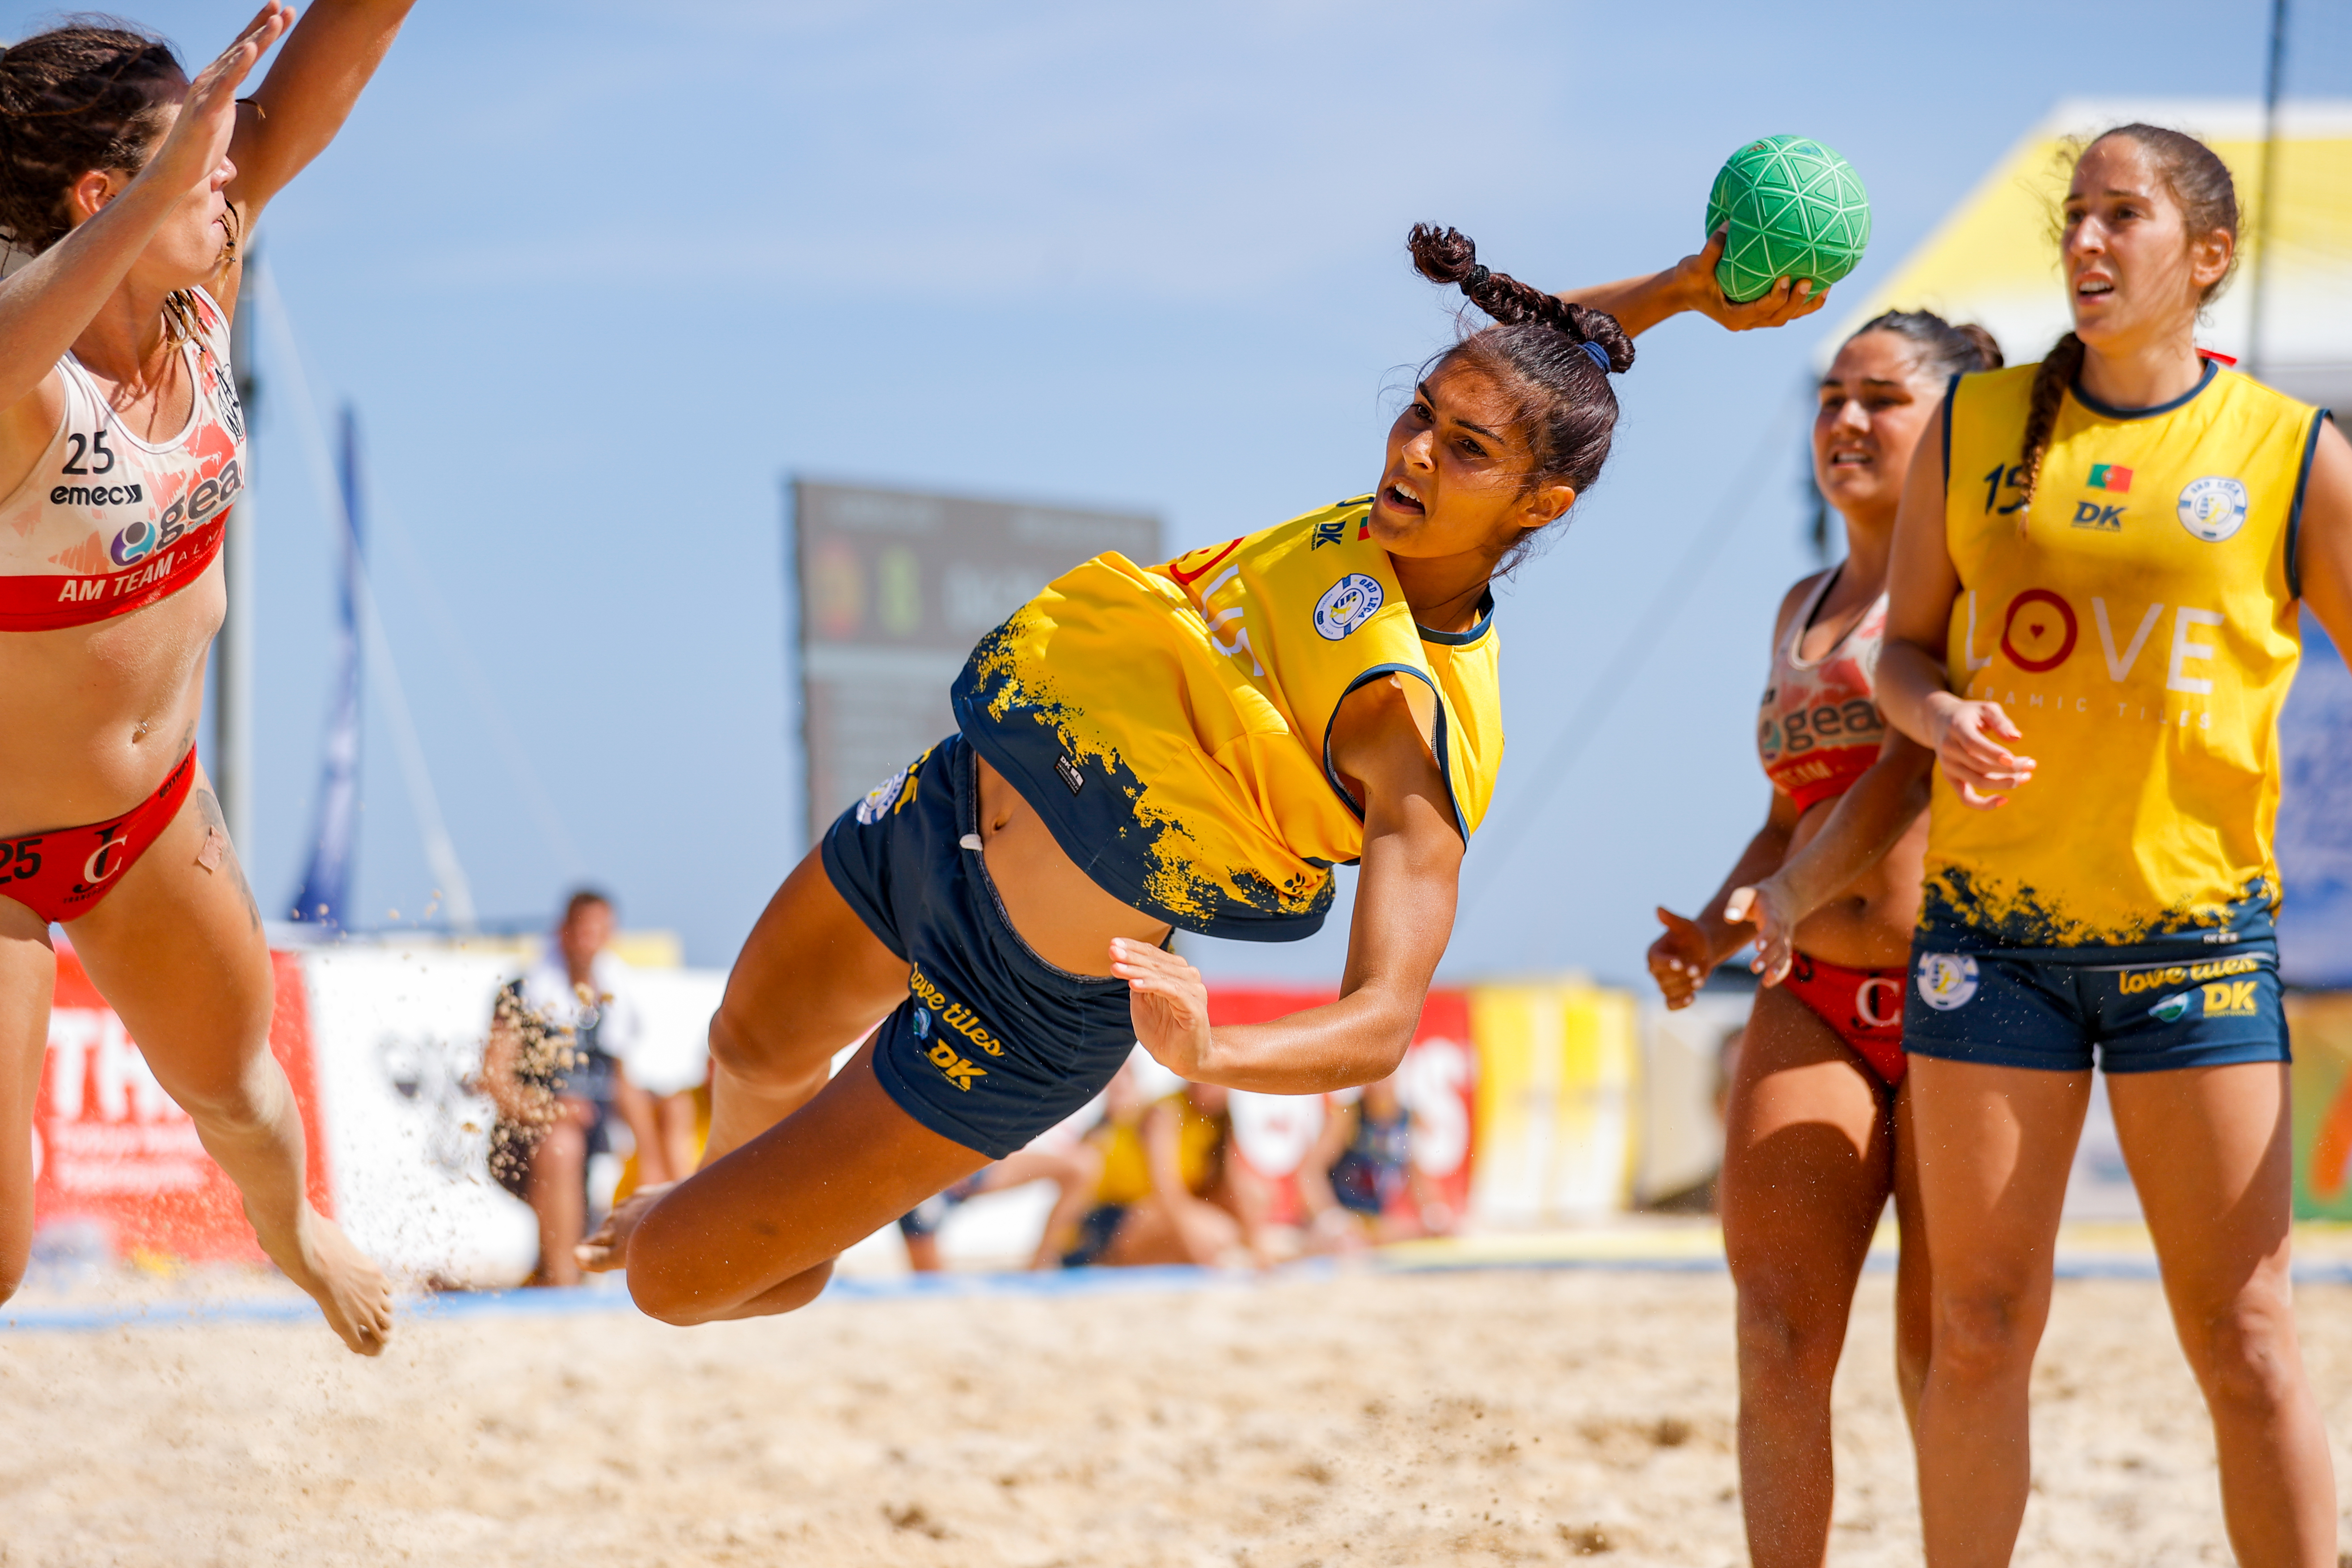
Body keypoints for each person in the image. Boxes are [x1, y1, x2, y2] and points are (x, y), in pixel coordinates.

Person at [579, 224, 1822, 1323]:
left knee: (668, 1280)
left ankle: (757, 1251)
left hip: (1018, 1006)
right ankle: (749, 1218)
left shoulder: (1412, 720)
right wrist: (1679, 289)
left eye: (1464, 448)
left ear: (1537, 506)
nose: (1417, 452)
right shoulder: (1377, 524)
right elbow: (1542, 353)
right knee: (744, 1045)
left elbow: (1382, 1020)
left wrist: (1209, 1051)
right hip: (940, 811)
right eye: (1417, 413)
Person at [1872, 123, 2352, 1566]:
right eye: (2074, 216)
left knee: (2247, 1333)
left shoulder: (2292, 452)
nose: (2086, 242)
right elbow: (1898, 650)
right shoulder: (1976, 426)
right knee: (1978, 1324)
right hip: (1990, 938)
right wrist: (1940, 710)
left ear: (2204, 257)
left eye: (2121, 217)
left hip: (2194, 944)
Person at [0, 4, 410, 1354]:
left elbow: (326, 75)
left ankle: (296, 1234)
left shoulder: (200, 286)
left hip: (145, 815)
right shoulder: (32, 385)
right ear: (106, 198)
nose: (232, 174)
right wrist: (157, 194)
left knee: (242, 1097)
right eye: (202, 159)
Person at [1644, 311, 2001, 1567]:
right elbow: (1788, 814)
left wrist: (1783, 893)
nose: (1844, 421)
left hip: (1967, 997)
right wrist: (1719, 917)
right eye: (1829, 397)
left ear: (1951, 423)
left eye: (1880, 399)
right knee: (1776, 1335)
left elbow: (1901, 785)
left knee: (1941, 1346)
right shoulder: (1800, 603)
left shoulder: (1970, 585)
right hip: (1815, 990)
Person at [480, 888, 664, 1287]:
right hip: (525, 1140)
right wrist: (549, 1110)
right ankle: (562, 1282)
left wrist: (651, 1158)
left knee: (669, 1114)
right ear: (563, 931)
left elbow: (623, 1082)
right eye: (583, 930)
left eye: (600, 930)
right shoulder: (524, 992)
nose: (590, 939)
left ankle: (559, 1269)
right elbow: (495, 1077)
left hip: (592, 1135)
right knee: (562, 1143)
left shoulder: (613, 997)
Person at [1292, 1070, 1456, 1249]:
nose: (1379, 1086)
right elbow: (1311, 1172)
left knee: (1428, 1233)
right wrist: (1332, 1219)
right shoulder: (1349, 1116)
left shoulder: (1408, 1118)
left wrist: (1434, 1214)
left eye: (1385, 1079)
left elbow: (1417, 1179)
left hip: (1374, 1224)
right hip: (1345, 1219)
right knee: (1346, 1243)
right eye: (1374, 1079)